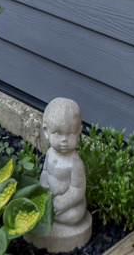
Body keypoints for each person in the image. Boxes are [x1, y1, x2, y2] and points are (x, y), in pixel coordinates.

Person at [33, 97, 92, 252]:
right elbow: (45, 172)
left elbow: (78, 190)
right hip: (50, 196)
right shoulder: (50, 154)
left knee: (74, 215)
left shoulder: (75, 163)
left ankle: (50, 214)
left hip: (68, 205)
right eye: (58, 133)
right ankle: (48, 212)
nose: (64, 140)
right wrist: (43, 186)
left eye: (70, 134)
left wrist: (62, 202)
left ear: (79, 131)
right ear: (46, 132)